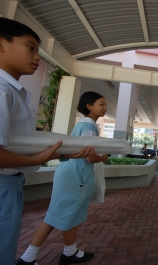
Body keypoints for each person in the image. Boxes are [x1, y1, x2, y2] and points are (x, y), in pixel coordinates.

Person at [0, 17, 95, 265]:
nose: (37, 56)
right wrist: (42, 157)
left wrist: (57, 155)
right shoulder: (2, 90)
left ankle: (66, 251)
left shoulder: (14, 91)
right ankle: (41, 255)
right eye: (30, 47)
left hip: (12, 181)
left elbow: (18, 144)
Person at [16, 92, 109, 265]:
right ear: (89, 106)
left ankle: (69, 251)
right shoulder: (90, 127)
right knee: (59, 216)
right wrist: (104, 157)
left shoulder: (82, 124)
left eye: (105, 105)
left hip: (67, 173)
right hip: (77, 177)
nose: (104, 108)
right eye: (101, 104)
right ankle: (28, 257)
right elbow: (89, 157)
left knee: (66, 214)